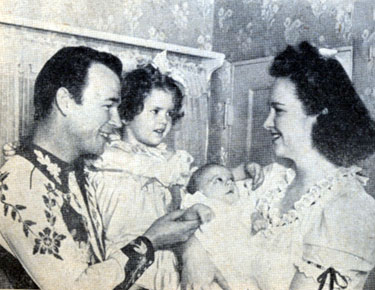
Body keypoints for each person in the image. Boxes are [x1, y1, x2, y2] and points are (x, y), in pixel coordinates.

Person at [0, 46, 206, 290]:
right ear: (65, 102)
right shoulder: (19, 182)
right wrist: (150, 242)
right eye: (107, 106)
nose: (117, 120)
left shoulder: (79, 172)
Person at [86, 64, 263, 290]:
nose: (164, 121)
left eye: (169, 113)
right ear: (128, 112)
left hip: (166, 250)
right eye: (155, 111)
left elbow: (197, 176)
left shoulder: (169, 159)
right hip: (127, 244)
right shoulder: (112, 154)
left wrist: (241, 171)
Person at [247, 41, 375, 290]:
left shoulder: (349, 208)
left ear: (319, 114)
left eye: (279, 111)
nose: (266, 123)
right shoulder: (270, 182)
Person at [181, 163, 257, 290]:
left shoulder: (241, 204)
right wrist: (196, 209)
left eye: (231, 179)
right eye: (218, 180)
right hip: (213, 263)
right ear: (201, 190)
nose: (229, 183)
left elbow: (252, 212)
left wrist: (256, 218)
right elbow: (183, 219)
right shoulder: (200, 201)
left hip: (242, 266)